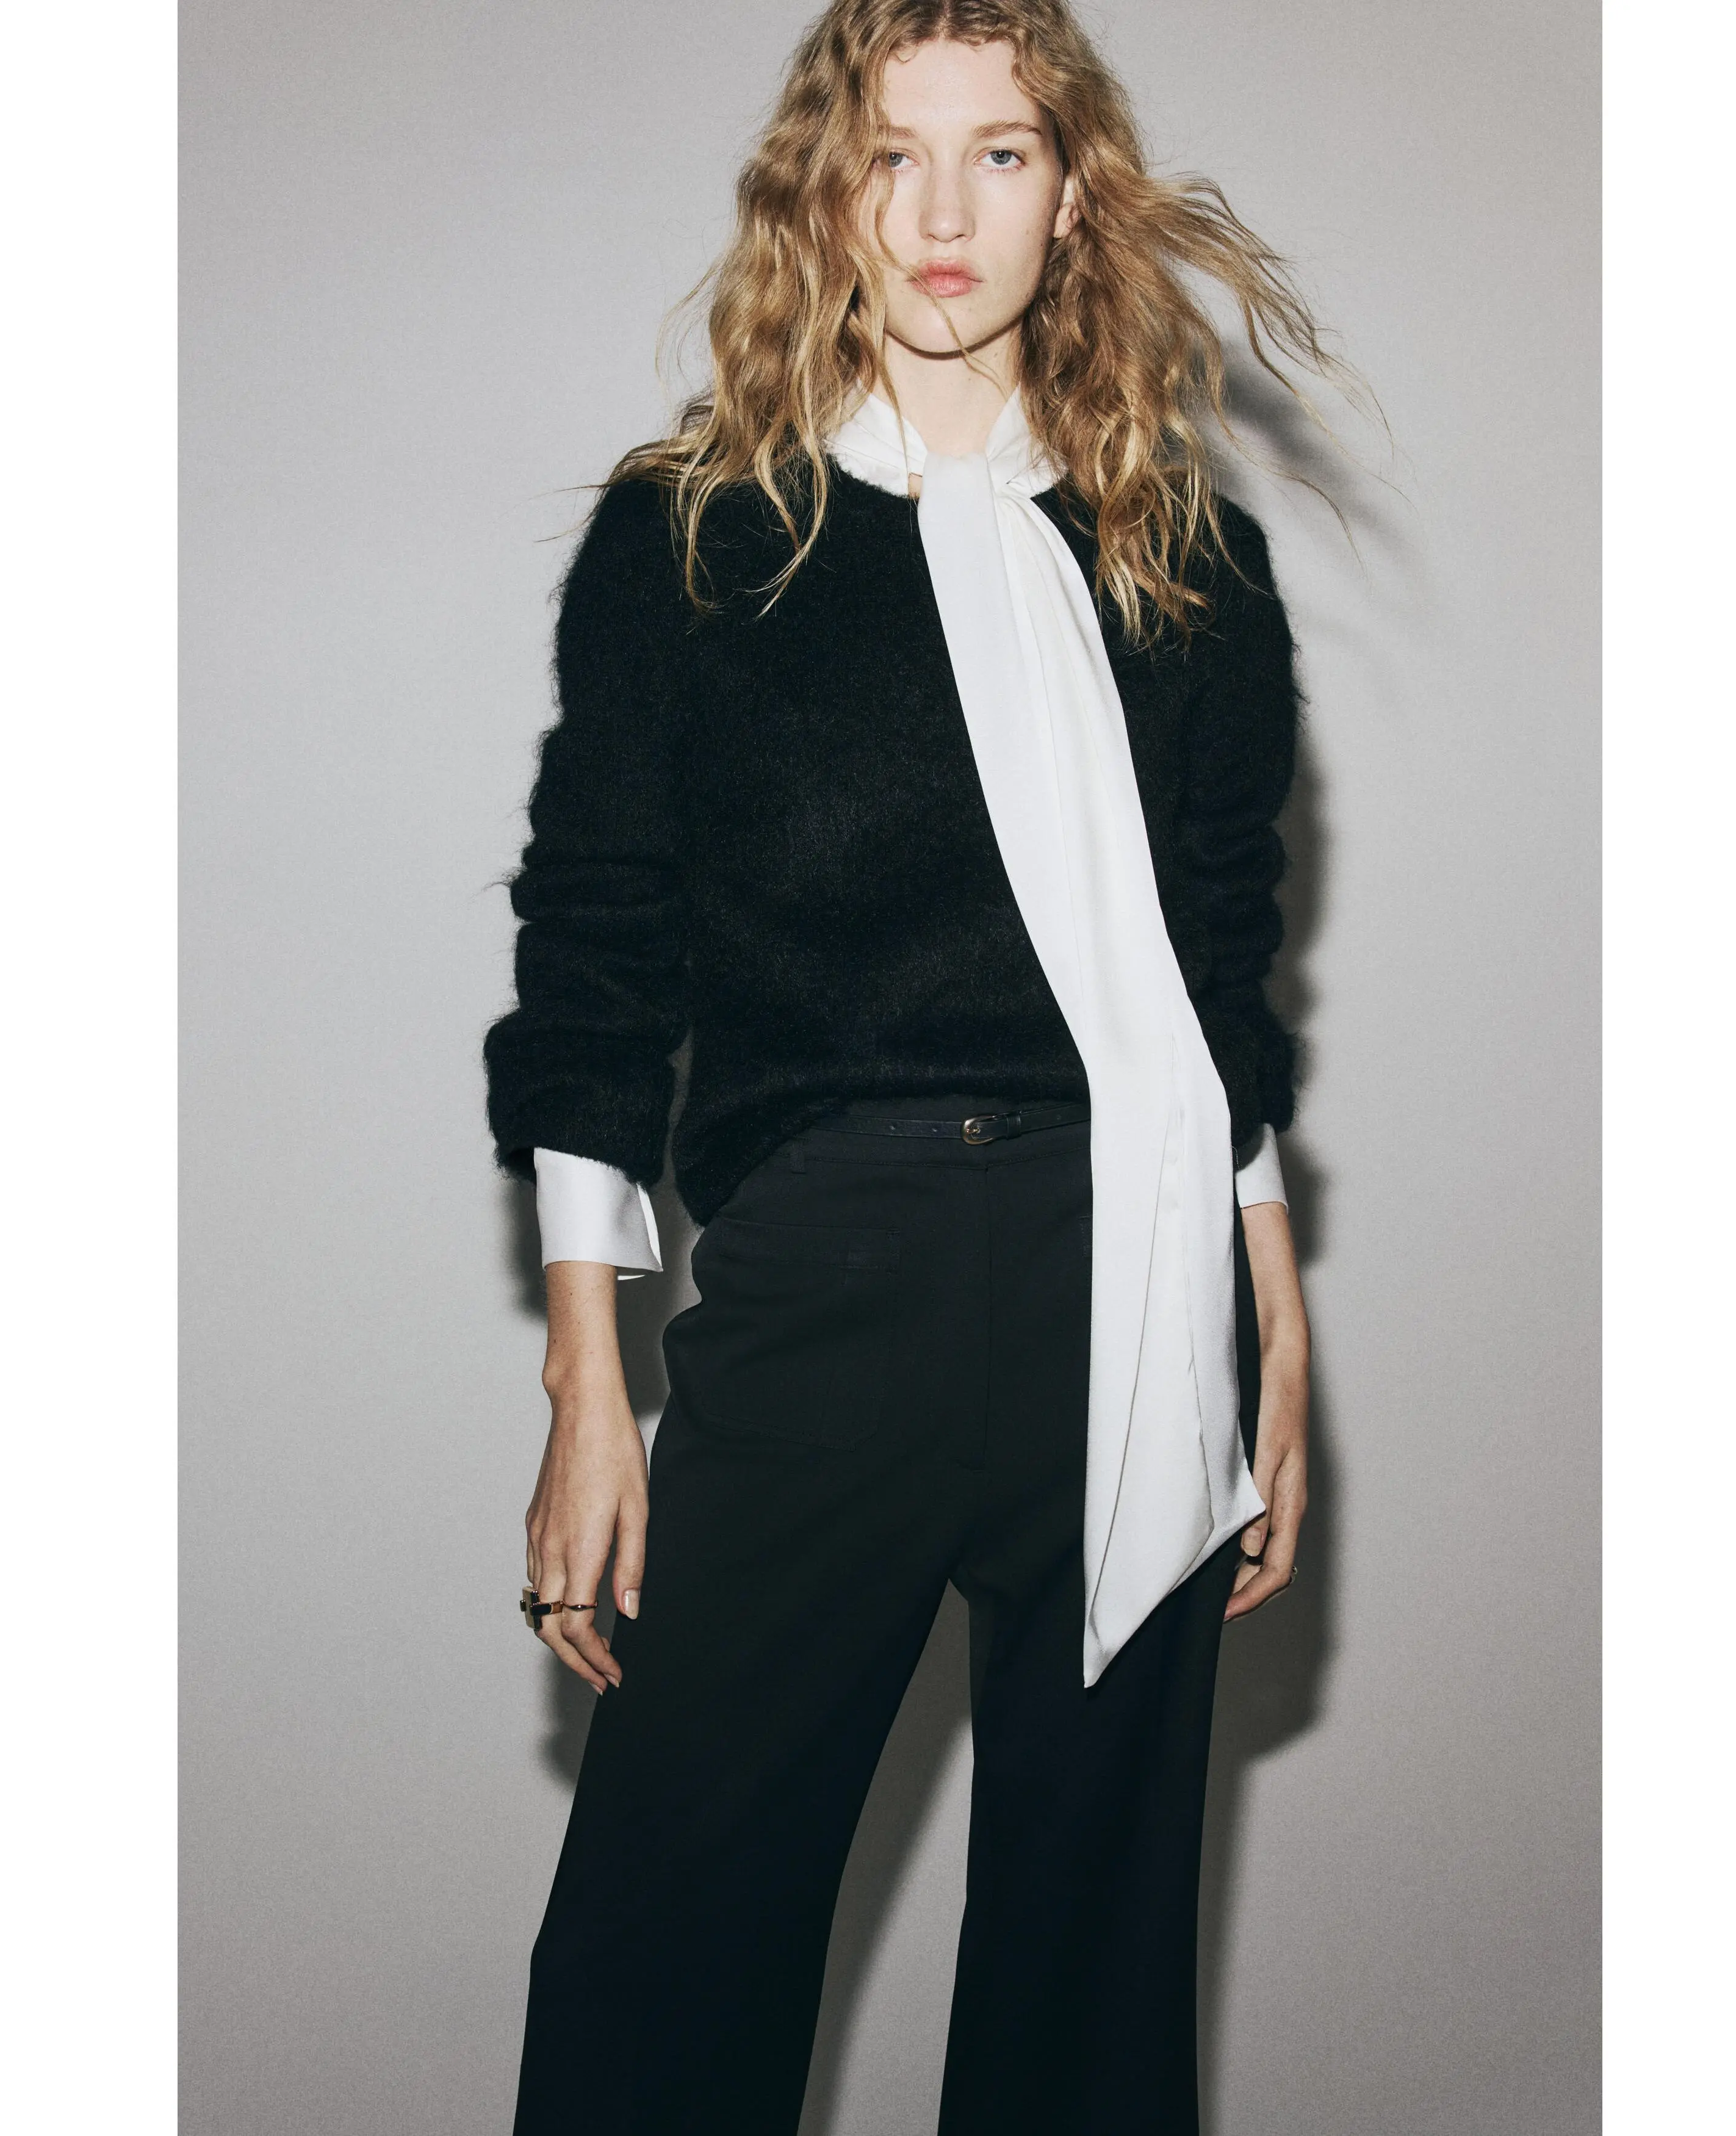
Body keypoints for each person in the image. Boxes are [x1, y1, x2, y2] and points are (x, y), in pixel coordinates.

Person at [482, 2, 1341, 2128]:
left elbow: (1217, 966)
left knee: (1087, 2002)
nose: (944, 210)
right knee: (656, 1977)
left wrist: (1274, 1312)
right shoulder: (695, 541)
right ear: (822, 193)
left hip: (1131, 1272)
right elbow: (593, 953)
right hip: (828, 1277)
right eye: (891, 153)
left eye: (1002, 154)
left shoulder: (1188, 563)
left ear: (1075, 198)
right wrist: (588, 1384)